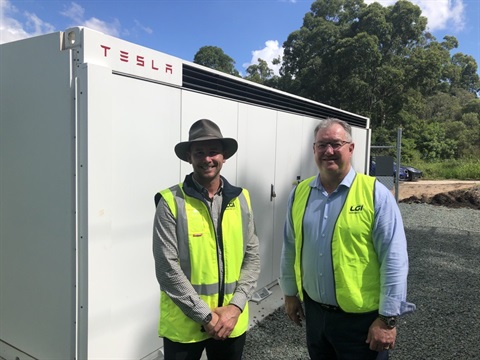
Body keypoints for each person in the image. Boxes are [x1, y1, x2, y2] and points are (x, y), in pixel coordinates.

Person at [279, 118, 415, 360]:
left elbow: (394, 259)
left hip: (362, 323)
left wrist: (387, 320)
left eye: (336, 144)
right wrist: (290, 293)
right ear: (313, 150)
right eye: (322, 145)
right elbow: (290, 246)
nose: (328, 151)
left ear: (350, 149)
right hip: (316, 317)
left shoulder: (375, 194)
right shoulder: (300, 193)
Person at [153, 119, 260, 360]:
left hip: (231, 321)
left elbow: (252, 257)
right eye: (199, 152)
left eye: (213, 152)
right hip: (185, 327)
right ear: (189, 157)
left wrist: (235, 307)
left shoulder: (242, 199)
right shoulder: (170, 202)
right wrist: (207, 317)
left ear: (224, 156)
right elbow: (166, 269)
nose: (207, 159)